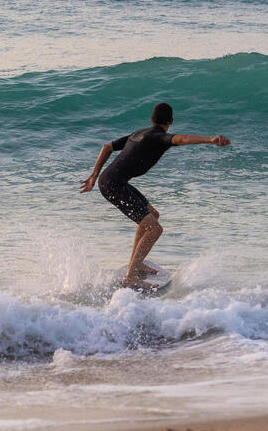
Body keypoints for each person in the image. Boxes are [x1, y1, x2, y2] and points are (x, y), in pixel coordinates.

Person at [80, 102, 231, 290]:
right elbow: (182, 139)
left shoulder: (138, 134)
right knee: (154, 229)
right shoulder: (159, 138)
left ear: (152, 120)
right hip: (114, 186)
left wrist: (94, 175)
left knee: (152, 216)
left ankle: (135, 263)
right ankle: (131, 276)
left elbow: (107, 147)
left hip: (113, 182)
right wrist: (210, 140)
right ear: (171, 121)